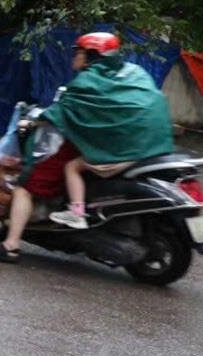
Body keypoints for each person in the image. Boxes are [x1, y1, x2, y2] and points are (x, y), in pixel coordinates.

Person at [42, 31, 174, 229]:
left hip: (125, 151)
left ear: (91, 55)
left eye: (78, 52)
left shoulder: (87, 81)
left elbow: (62, 111)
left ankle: (76, 213)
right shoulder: (134, 72)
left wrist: (37, 119)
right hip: (154, 147)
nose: (75, 56)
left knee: (72, 167)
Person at [0, 108, 79, 264]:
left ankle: (11, 245)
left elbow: (61, 113)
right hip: (118, 154)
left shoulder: (88, 88)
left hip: (89, 152)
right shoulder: (125, 91)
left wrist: (34, 121)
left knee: (24, 188)